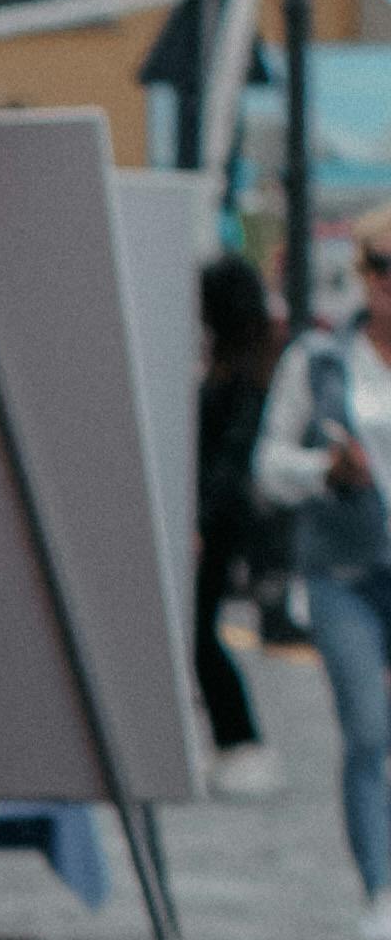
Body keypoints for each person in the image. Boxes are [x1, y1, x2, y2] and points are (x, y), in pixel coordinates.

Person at [248, 217, 391, 937]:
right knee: (368, 727)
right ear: (364, 275)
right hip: (343, 570)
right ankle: (381, 888)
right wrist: (323, 472)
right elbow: (267, 467)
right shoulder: (321, 360)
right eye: (385, 266)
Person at [195, 249, 273, 761]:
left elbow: (231, 460)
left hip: (217, 520)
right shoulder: (242, 363)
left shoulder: (241, 375)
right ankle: (236, 740)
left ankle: (240, 739)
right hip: (218, 517)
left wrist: (200, 521)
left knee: (198, 629)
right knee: (198, 628)